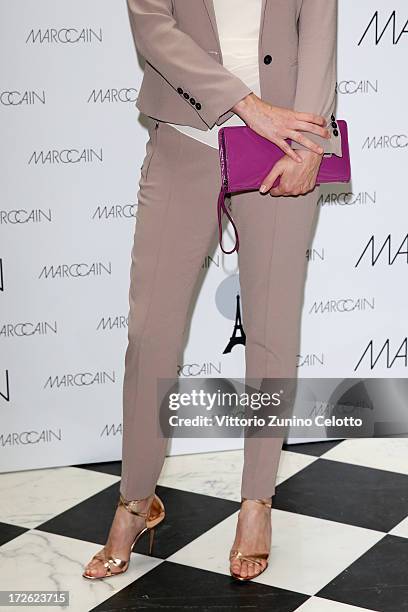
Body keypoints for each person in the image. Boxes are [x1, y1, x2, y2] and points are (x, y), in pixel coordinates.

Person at [83, 0, 340, 582]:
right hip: (183, 140)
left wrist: (309, 144)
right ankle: (134, 501)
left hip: (285, 149)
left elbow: (320, 37)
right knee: (151, 332)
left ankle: (256, 503)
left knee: (272, 332)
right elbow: (152, 27)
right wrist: (247, 106)